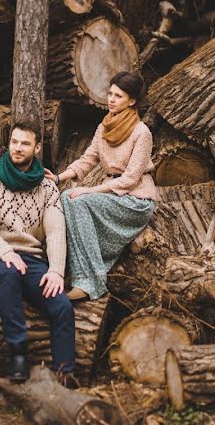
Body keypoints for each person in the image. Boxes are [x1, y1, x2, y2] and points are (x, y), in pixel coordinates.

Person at [0, 121, 76, 382]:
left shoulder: (47, 187)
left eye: (25, 143)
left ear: (37, 148)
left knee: (61, 305)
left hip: (31, 259)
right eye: (14, 142)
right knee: (10, 272)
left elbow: (56, 231)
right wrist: (4, 252)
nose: (17, 148)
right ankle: (18, 354)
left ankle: (65, 374)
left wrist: (56, 271)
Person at [46, 72, 157, 301]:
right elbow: (88, 160)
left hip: (135, 200)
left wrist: (88, 190)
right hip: (112, 195)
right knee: (66, 197)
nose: (111, 99)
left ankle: (91, 283)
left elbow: (130, 179)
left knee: (79, 200)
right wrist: (58, 178)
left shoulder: (141, 132)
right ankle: (75, 272)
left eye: (119, 95)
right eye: (110, 93)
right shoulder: (104, 126)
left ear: (132, 101)